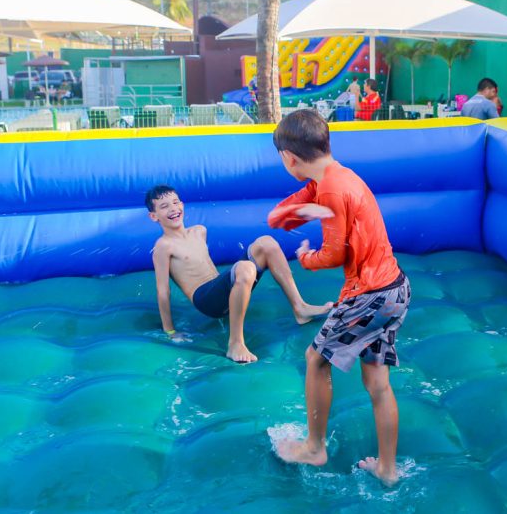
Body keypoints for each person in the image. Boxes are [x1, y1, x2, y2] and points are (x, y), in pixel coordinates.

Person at [268, 110, 410, 486]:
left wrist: (304, 258)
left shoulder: (331, 188)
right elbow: (290, 208)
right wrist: (291, 211)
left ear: (289, 158)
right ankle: (388, 470)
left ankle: (314, 448)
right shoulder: (337, 175)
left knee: (316, 359)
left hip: (370, 294)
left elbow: (334, 254)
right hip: (395, 289)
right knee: (377, 382)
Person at [146, 185, 333, 363]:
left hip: (221, 287)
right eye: (164, 206)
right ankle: (235, 343)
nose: (173, 208)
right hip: (206, 300)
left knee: (266, 242)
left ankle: (300, 308)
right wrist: (170, 331)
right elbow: (163, 291)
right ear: (154, 216)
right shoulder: (163, 247)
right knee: (244, 267)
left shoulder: (199, 231)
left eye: (176, 202)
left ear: (183, 204)